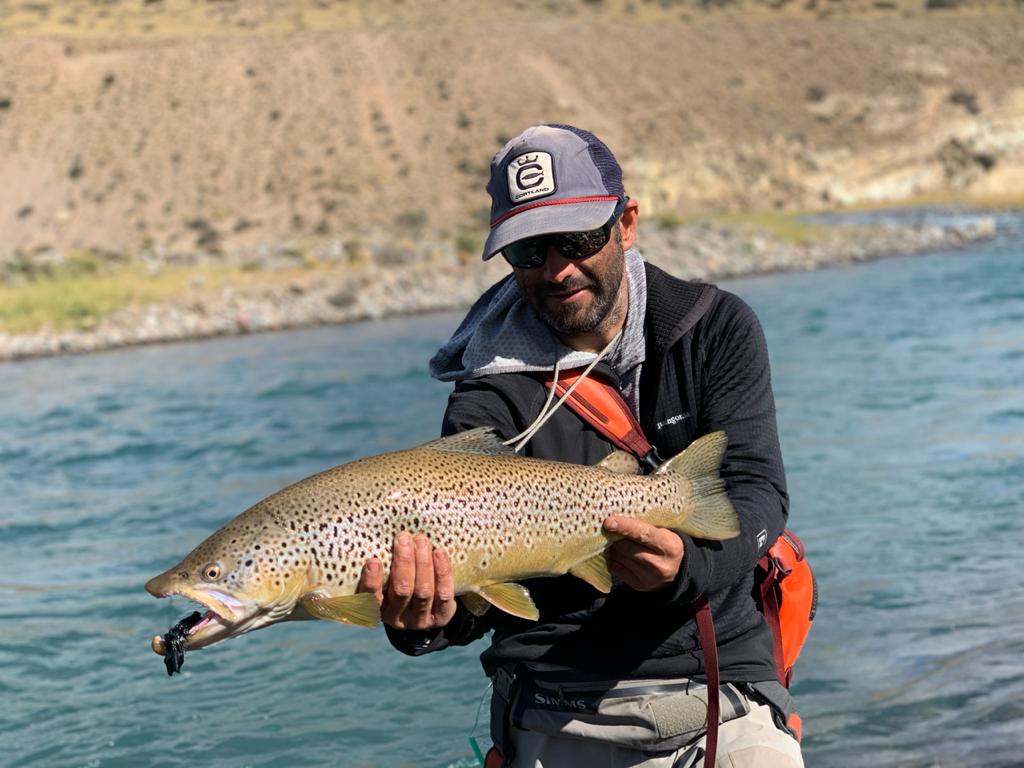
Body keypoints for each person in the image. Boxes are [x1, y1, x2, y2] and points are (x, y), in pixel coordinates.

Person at [357, 124, 804, 767]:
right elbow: (477, 604)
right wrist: (423, 622)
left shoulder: (716, 329)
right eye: (529, 251)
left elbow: (757, 494)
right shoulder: (487, 394)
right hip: (552, 707)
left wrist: (685, 569)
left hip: (720, 692)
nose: (557, 267)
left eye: (579, 238)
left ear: (626, 223)